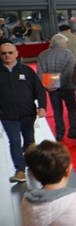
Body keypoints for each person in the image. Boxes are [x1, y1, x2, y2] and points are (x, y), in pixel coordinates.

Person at [0, 40, 47, 182]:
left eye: (10, 52)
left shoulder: (27, 71)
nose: (7, 55)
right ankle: (20, 170)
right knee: (14, 141)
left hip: (28, 114)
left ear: (16, 53)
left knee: (29, 141)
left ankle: (31, 164)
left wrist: (42, 107)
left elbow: (39, 90)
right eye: (4, 53)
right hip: (7, 115)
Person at [38, 34, 76, 142]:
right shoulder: (68, 54)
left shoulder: (43, 55)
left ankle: (59, 133)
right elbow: (69, 72)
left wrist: (51, 84)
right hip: (67, 87)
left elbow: (40, 73)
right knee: (71, 109)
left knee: (57, 110)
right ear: (63, 43)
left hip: (51, 88)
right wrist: (59, 82)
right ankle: (73, 130)